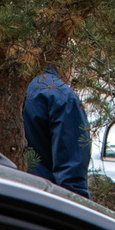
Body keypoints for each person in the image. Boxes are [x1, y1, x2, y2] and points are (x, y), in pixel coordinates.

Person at [21, 62, 92, 197]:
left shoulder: (7, 90)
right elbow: (71, 174)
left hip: (1, 197)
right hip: (43, 200)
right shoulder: (62, 96)